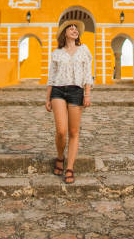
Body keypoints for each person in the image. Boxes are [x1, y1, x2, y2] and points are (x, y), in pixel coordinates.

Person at [45, 20, 93, 184]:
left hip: (76, 91)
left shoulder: (84, 50)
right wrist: (47, 98)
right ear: (64, 33)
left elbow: (88, 74)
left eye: (76, 29)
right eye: (70, 28)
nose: (74, 30)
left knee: (73, 132)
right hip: (58, 90)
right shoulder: (57, 52)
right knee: (61, 131)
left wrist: (87, 94)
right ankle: (60, 156)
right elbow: (51, 77)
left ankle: (70, 167)